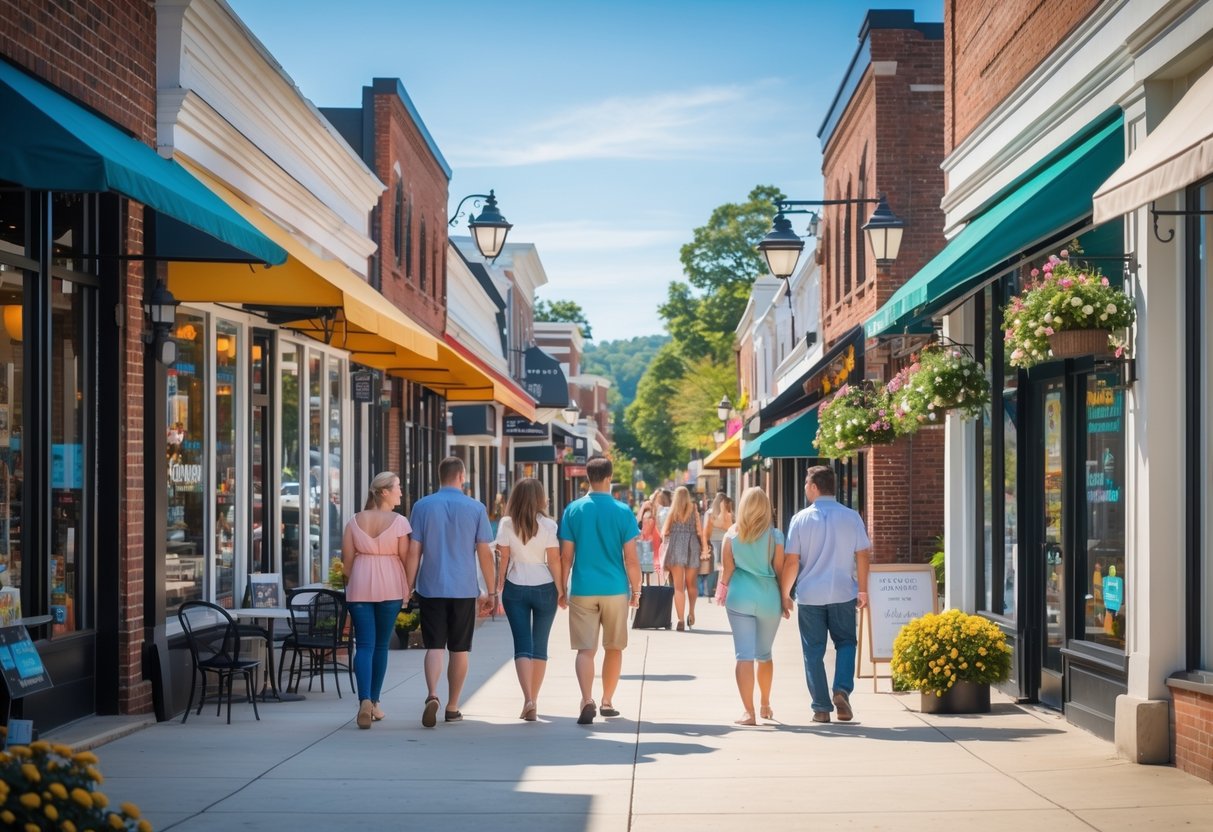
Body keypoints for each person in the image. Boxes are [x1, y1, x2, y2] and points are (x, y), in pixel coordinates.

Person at [405, 457, 496, 727]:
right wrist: (492, 590)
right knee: (459, 649)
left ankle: (432, 694)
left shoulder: (422, 506)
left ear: (439, 476)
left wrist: (408, 586)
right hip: (463, 588)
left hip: (431, 587)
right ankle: (453, 705)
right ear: (462, 476)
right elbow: (485, 554)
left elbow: (413, 551)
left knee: (434, 646)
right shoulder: (476, 508)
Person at [781, 465, 871, 723]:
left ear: (814, 487)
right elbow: (863, 554)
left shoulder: (800, 519)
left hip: (810, 596)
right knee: (846, 643)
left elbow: (791, 562)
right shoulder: (851, 517)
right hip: (843, 591)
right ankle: (841, 690)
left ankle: (821, 708)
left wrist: (785, 593)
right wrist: (863, 589)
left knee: (813, 651)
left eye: (806, 484)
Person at [558, 455, 641, 724]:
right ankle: (607, 701)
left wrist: (561, 588)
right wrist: (637, 590)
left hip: (582, 587)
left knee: (585, 649)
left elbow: (566, 557)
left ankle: (587, 699)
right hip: (615, 588)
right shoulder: (623, 511)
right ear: (609, 478)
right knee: (614, 647)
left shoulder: (573, 510)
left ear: (587, 478)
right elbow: (631, 558)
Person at [342, 471, 411, 729]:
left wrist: (348, 584)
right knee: (381, 645)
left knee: (365, 645)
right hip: (390, 585)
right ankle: (376, 703)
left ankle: (364, 701)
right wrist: (410, 585)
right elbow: (405, 557)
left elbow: (347, 562)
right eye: (397, 487)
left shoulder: (354, 521)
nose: (400, 492)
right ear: (384, 492)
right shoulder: (400, 522)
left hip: (360, 585)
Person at [715, 487, 787, 725]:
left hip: (740, 598)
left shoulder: (731, 536)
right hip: (768, 598)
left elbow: (728, 570)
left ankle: (749, 712)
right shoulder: (776, 537)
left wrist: (720, 593)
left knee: (743, 655)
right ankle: (765, 703)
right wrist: (784, 598)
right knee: (764, 654)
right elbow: (779, 571)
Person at [495, 478, 561, 722]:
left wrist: (498, 585)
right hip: (545, 585)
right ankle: (535, 697)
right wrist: (562, 589)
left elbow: (503, 558)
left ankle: (528, 699)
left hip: (516, 586)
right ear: (540, 498)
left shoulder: (506, 523)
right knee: (540, 646)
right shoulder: (549, 525)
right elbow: (554, 560)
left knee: (522, 644)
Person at [661, 486, 702, 631]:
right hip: (692, 545)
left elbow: (665, 531)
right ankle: (691, 612)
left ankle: (680, 620)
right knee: (692, 584)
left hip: (676, 546)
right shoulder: (694, 509)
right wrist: (703, 548)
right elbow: (699, 530)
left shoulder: (673, 511)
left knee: (679, 586)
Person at [700, 493, 734, 600]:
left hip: (713, 542)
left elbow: (705, 532)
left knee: (713, 568)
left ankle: (709, 591)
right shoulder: (729, 514)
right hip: (727, 542)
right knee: (726, 567)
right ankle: (725, 590)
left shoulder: (710, 513)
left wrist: (705, 547)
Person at [636, 501, 659, 586]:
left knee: (643, 563)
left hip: (642, 541)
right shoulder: (651, 516)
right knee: (647, 563)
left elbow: (638, 525)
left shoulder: (643, 516)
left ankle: (642, 582)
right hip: (647, 541)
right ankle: (647, 583)